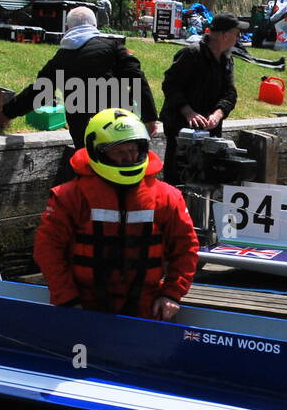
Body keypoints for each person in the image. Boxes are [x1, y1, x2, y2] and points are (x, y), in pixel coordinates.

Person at [34, 109, 198, 320]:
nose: (129, 157)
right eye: (119, 152)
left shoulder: (168, 197)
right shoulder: (69, 196)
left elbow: (186, 248)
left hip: (146, 309)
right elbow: (48, 251)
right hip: (82, 307)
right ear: (97, 151)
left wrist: (172, 294)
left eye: (134, 150)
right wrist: (67, 299)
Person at [2, 6, 158, 150]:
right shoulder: (112, 47)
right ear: (95, 26)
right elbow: (136, 78)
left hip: (83, 133)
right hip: (119, 127)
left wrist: (8, 112)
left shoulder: (60, 59)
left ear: (68, 29)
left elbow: (40, 92)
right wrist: (150, 117)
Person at [159, 12, 246, 183]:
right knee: (178, 178)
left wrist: (218, 113)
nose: (238, 38)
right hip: (181, 128)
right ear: (224, 35)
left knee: (206, 180)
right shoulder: (191, 54)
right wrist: (188, 112)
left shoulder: (227, 59)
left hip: (210, 130)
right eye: (237, 34)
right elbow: (170, 84)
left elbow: (230, 92)